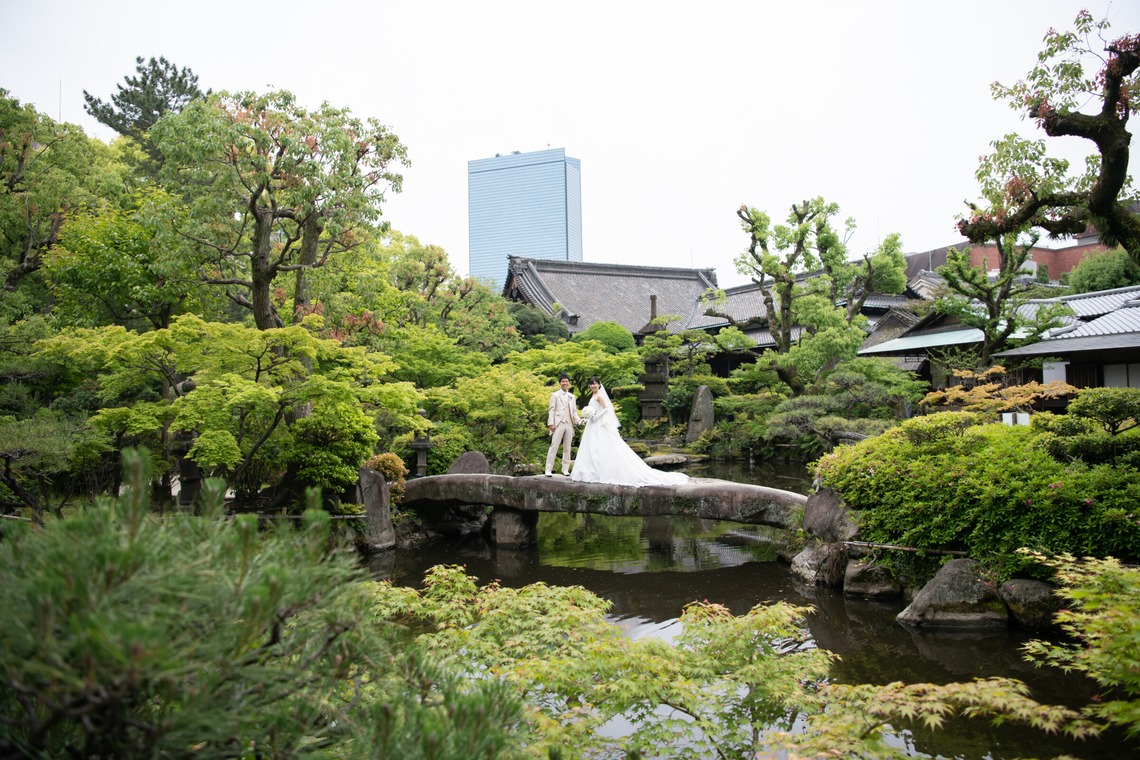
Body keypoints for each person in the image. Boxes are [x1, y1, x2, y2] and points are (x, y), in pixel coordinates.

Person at [571, 376, 688, 487]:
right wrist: (587, 418)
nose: (593, 386)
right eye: (591, 384)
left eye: (595, 384)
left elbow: (606, 409)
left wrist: (596, 417)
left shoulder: (600, 396)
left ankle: (601, 471)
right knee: (592, 447)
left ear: (599, 385)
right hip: (592, 425)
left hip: (599, 423)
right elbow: (594, 410)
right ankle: (592, 471)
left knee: (602, 446)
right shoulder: (593, 396)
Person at [545, 373, 582, 477]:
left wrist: (578, 420)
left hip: (569, 423)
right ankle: (548, 469)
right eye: (563, 381)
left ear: (569, 383)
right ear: (560, 383)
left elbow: (574, 411)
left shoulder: (572, 397)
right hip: (558, 423)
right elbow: (551, 410)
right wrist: (551, 423)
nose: (565, 383)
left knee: (567, 447)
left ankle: (565, 469)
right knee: (554, 446)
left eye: (566, 381)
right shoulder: (555, 395)